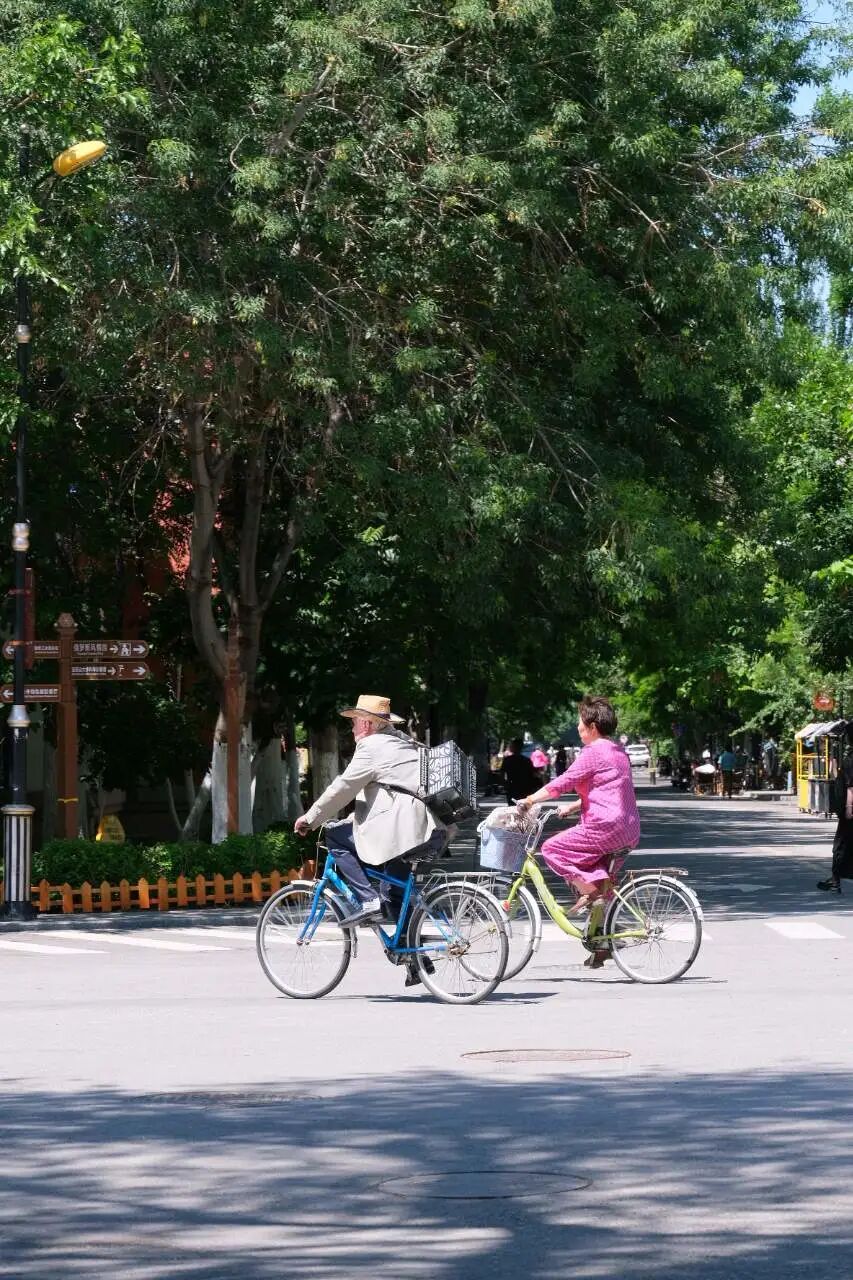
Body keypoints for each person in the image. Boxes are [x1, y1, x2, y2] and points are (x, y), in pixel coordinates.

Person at [294, 694, 447, 985]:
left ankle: (367, 900)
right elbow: (385, 799)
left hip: (406, 827)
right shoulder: (403, 742)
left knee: (336, 838)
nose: (351, 729)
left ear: (366, 723)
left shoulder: (371, 748)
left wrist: (311, 818)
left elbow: (343, 788)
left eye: (353, 723)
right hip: (429, 829)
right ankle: (415, 960)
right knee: (395, 892)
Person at [517, 696, 641, 968]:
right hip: (628, 828)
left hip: (604, 826)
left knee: (552, 849)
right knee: (599, 879)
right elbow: (608, 788)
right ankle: (603, 944)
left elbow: (563, 782)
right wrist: (575, 806)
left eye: (581, 724)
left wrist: (529, 800)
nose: (578, 728)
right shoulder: (618, 750)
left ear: (593, 725)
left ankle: (593, 896)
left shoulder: (594, 751)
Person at [818, 741, 853, 894]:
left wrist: (849, 807)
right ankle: (835, 878)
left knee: (840, 846)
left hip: (850, 813)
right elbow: (839, 778)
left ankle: (835, 879)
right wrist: (833, 763)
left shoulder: (851, 760)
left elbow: (851, 786)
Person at [500, 738, 539, 805]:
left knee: (512, 806)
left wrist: (504, 783)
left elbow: (502, 773)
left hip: (512, 786)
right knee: (524, 807)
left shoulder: (508, 760)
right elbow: (533, 774)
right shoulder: (526, 760)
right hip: (525, 786)